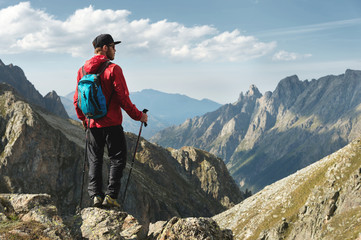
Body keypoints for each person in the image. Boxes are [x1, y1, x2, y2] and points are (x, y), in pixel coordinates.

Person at [73, 34, 148, 208]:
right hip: (112, 124)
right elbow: (124, 99)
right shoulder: (113, 69)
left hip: (92, 124)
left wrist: (83, 119)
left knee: (95, 159)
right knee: (117, 159)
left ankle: (96, 196)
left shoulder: (82, 70)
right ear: (105, 48)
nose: (116, 50)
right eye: (114, 46)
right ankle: (111, 197)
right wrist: (139, 116)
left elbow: (77, 100)